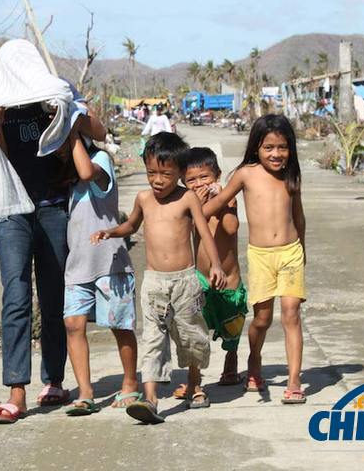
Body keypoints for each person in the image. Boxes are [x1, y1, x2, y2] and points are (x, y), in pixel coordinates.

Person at [0, 39, 107, 425]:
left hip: (54, 207)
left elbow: (99, 132)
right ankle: (16, 392)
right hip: (10, 213)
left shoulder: (58, 91)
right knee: (16, 296)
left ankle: (53, 380)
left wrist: (72, 109)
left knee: (54, 294)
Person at [92, 132, 225, 424]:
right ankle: (150, 400)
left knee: (190, 336)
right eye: (152, 172)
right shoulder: (143, 199)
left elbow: (203, 231)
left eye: (166, 174)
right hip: (153, 282)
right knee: (153, 338)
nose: (158, 180)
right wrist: (111, 232)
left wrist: (215, 265)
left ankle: (196, 384)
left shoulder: (187, 198)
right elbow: (130, 225)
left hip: (185, 281)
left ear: (179, 172)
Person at [203, 114, 307, 404]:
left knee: (291, 314)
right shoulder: (245, 174)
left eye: (282, 147)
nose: (276, 154)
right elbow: (220, 201)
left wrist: (304, 249)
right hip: (261, 256)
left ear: (291, 149)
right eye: (269, 147)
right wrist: (192, 215)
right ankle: (255, 361)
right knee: (262, 319)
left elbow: (298, 216)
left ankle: (295, 380)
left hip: (290, 252)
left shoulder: (292, 174)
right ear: (256, 148)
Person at [62, 120, 139, 416]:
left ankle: (130, 383)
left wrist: (70, 133)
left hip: (110, 261)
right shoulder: (67, 180)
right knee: (72, 325)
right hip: (78, 265)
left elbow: (85, 171)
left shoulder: (101, 160)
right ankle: (85, 392)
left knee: (120, 325)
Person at [172, 147, 248, 399]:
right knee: (194, 327)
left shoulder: (229, 200)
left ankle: (231, 359)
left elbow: (231, 227)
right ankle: (194, 378)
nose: (198, 184)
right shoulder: (189, 204)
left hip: (229, 280)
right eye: (191, 180)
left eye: (204, 177)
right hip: (201, 279)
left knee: (232, 328)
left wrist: (223, 201)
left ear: (217, 175)